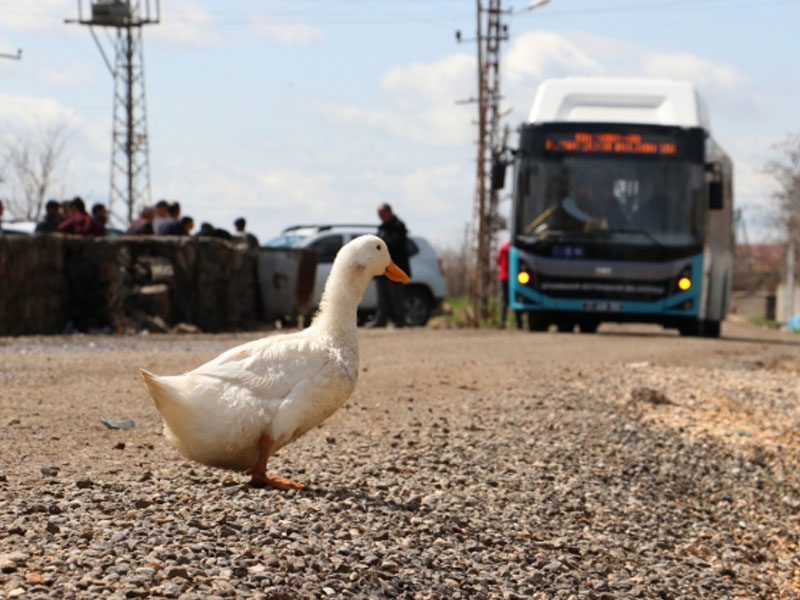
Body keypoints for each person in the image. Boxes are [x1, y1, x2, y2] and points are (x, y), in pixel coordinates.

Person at [366, 203, 411, 328]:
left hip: (394, 267)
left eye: (381, 213)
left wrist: (381, 246)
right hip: (382, 268)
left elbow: (396, 244)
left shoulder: (398, 226)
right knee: (382, 296)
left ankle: (400, 320)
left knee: (396, 296)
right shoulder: (382, 227)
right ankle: (381, 319)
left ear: (388, 212)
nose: (379, 216)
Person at [496, 239, 523, 330]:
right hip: (513, 276)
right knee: (516, 298)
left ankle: (502, 322)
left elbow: (498, 261)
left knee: (504, 300)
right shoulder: (515, 248)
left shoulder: (503, 247)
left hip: (504, 276)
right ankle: (519, 323)